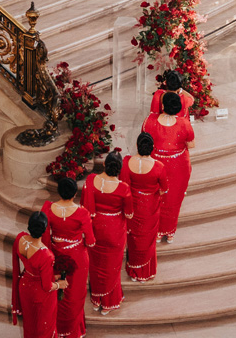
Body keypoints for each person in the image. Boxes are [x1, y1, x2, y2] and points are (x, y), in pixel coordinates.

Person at [42, 177, 94, 338]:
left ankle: (57, 328)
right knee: (75, 295)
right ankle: (73, 330)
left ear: (58, 192)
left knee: (57, 295)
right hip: (77, 257)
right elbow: (91, 242)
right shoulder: (82, 213)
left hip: (55, 254)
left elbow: (44, 238)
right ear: (74, 194)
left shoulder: (48, 209)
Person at [82, 151, 133, 313]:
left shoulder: (91, 180)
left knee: (96, 266)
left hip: (96, 229)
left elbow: (85, 206)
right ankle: (108, 302)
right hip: (114, 231)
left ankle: (96, 299)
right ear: (119, 169)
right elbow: (129, 213)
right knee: (112, 267)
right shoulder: (124, 188)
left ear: (104, 164)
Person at [143, 91, 195, 242]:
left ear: (163, 105)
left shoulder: (150, 121)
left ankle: (157, 231)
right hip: (178, 166)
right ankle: (170, 232)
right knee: (173, 199)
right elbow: (191, 144)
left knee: (158, 197)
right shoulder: (184, 124)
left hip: (156, 164)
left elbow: (144, 141)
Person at [120, 132, 167, 282]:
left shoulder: (127, 162)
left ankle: (133, 270)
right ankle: (145, 272)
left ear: (136, 146)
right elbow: (163, 189)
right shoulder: (159, 166)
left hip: (133, 206)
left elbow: (124, 185)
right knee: (147, 238)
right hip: (150, 207)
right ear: (152, 147)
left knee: (134, 238)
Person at [12, 211, 66, 337]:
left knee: (30, 324)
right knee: (43, 328)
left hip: (25, 287)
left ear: (29, 226)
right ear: (45, 230)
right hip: (40, 294)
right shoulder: (46, 255)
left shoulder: (20, 238)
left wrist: (54, 277)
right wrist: (60, 285)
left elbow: (31, 267)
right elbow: (47, 286)